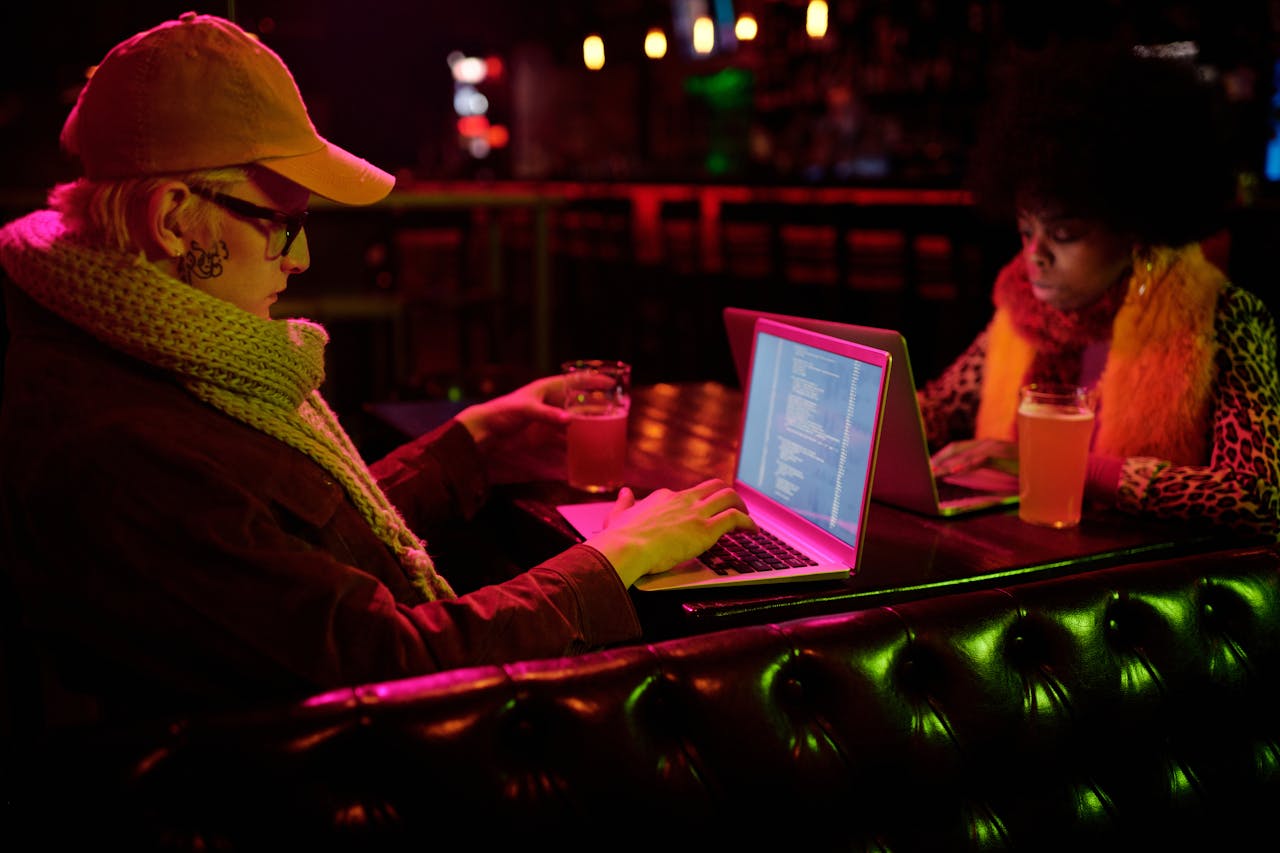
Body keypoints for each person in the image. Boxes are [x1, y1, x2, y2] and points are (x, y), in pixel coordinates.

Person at [0, 12, 756, 727]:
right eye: (283, 224)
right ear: (172, 218)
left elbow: (289, 548)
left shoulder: (121, 354)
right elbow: (391, 660)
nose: (300, 258)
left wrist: (469, 441)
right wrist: (612, 560)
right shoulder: (124, 443)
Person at [919, 42, 1279, 538]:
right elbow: (939, 407)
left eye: (1064, 234)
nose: (1035, 255)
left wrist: (1065, 466)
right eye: (1026, 231)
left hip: (1144, 574)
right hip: (1008, 557)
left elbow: (1257, 496)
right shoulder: (1021, 312)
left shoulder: (1220, 319)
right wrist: (858, 425)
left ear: (1134, 230)